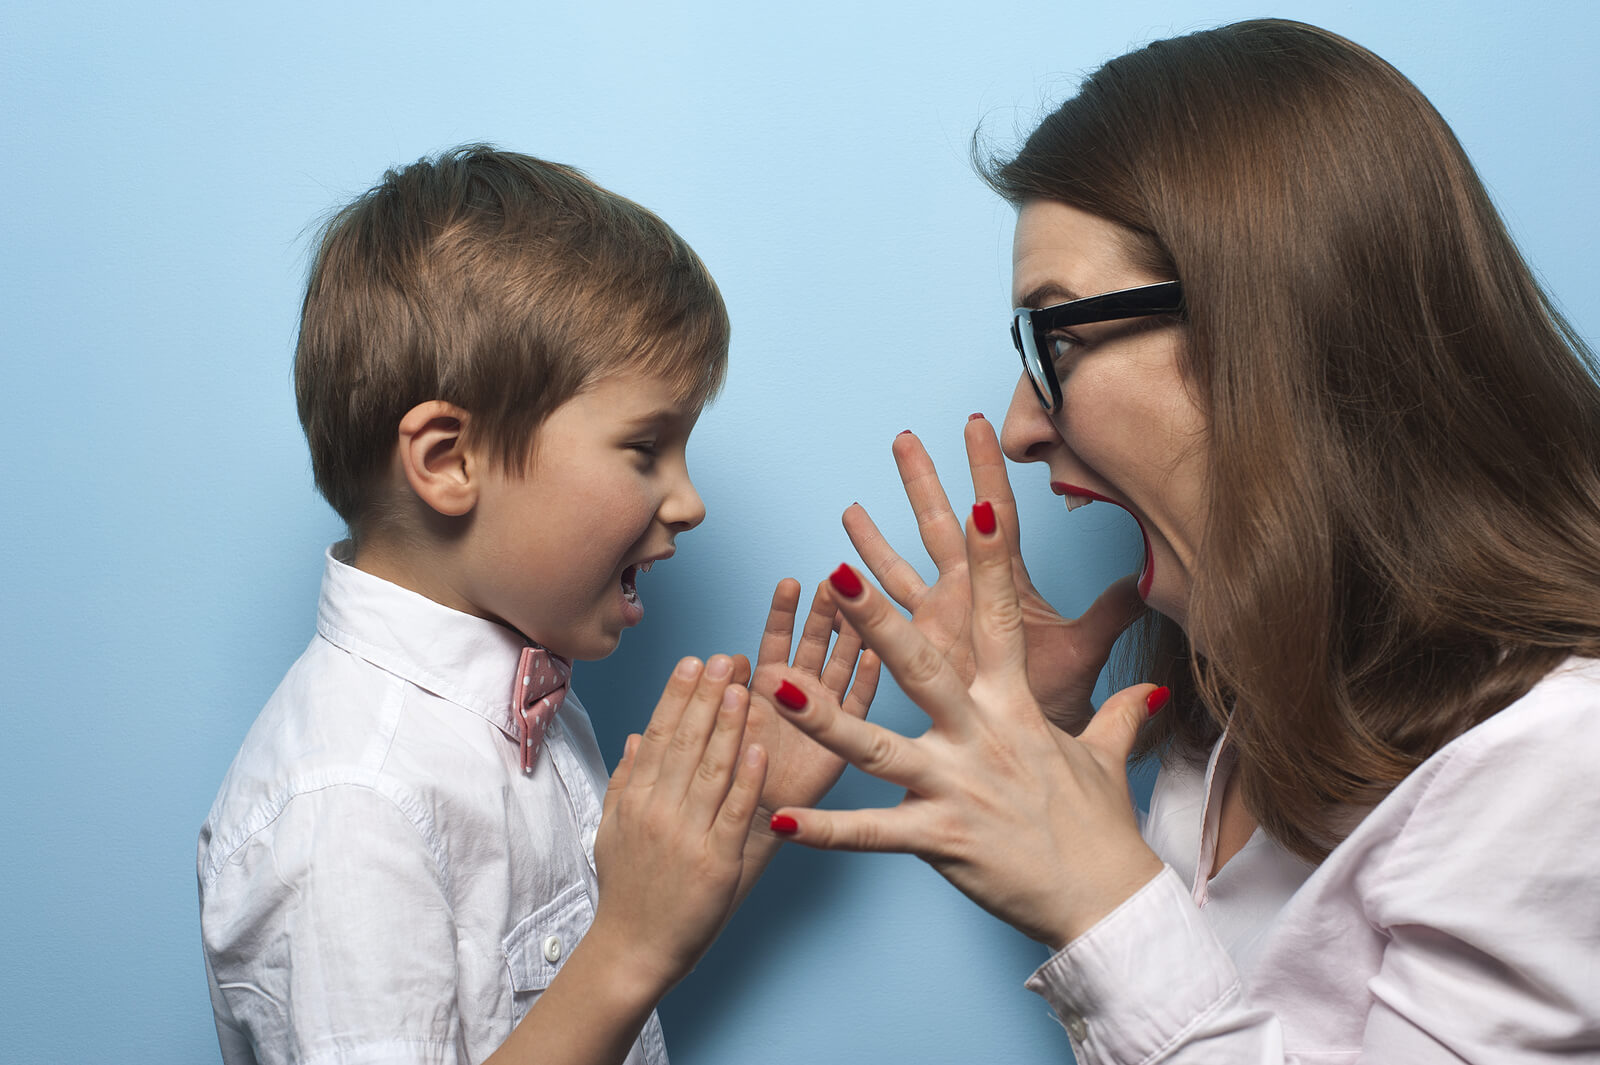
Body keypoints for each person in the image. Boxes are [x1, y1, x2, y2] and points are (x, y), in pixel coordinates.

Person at [761, 19, 1600, 1062]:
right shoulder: (1223, 714)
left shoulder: (1559, 766)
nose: (1021, 425)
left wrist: (1102, 906)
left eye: (1057, 335)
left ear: (1266, 324)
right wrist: (1047, 763)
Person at [196, 146, 878, 1065]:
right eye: (646, 449)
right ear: (448, 460)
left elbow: (581, 1003)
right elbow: (617, 962)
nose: (689, 501)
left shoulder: (520, 698)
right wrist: (630, 941)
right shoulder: (349, 807)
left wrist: (742, 827)